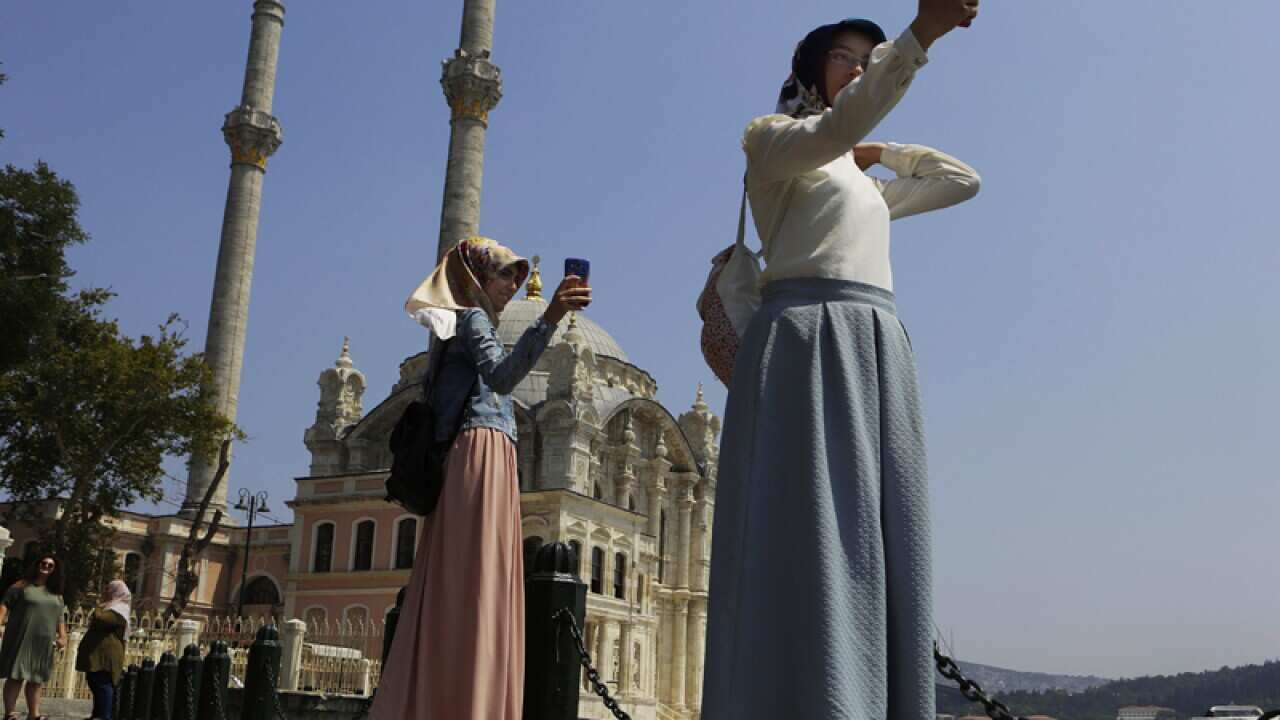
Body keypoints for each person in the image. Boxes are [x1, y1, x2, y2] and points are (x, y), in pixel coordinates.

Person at [702, 1, 982, 718]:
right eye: (845, 58)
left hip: (876, 343)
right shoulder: (770, 143)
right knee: (808, 532)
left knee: (880, 531)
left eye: (869, 57)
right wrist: (918, 37)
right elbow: (837, 125)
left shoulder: (864, 185)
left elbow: (960, 181)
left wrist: (882, 154)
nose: (858, 67)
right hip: (804, 339)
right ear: (809, 71)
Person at [369, 236, 592, 720]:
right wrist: (551, 314)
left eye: (517, 274)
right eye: (505, 274)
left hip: (485, 450)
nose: (514, 283)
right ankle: (469, 702)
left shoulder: (464, 325)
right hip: (479, 447)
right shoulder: (470, 318)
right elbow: (504, 376)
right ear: (477, 279)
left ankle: (453, 697)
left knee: (470, 577)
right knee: (478, 579)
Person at [0, 555, 67, 720]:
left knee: (36, 679)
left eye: (50, 565)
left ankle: (34, 715)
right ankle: (10, 714)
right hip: (21, 637)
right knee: (16, 676)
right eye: (43, 563)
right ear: (37, 565)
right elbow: (4, 604)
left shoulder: (57, 594)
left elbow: (60, 618)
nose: (46, 566)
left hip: (44, 642)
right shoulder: (21, 585)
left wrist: (63, 636)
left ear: (54, 570)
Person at [76, 580, 132, 720]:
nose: (105, 592)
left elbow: (101, 619)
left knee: (102, 684)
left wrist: (100, 605)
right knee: (95, 681)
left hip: (106, 656)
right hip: (98, 654)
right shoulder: (112, 607)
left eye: (109, 589)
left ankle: (104, 716)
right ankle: (97, 714)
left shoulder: (119, 609)